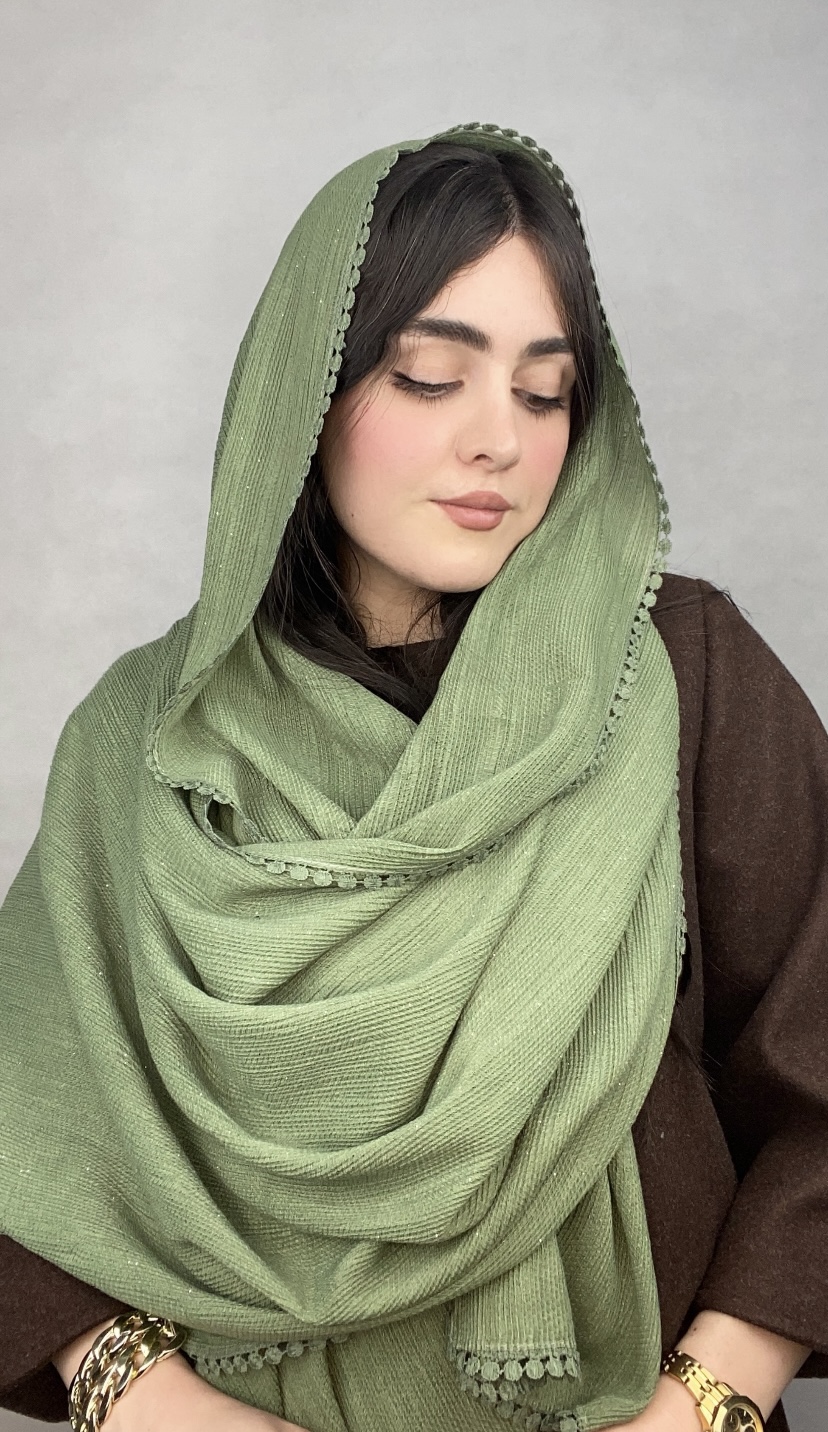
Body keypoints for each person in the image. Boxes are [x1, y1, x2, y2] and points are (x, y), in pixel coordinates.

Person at [0, 122, 826, 1432]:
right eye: (432, 377)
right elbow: (29, 1120)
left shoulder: (684, 679)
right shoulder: (146, 742)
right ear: (305, 392)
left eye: (545, 393)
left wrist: (705, 1405)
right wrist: (141, 1395)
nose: (498, 439)